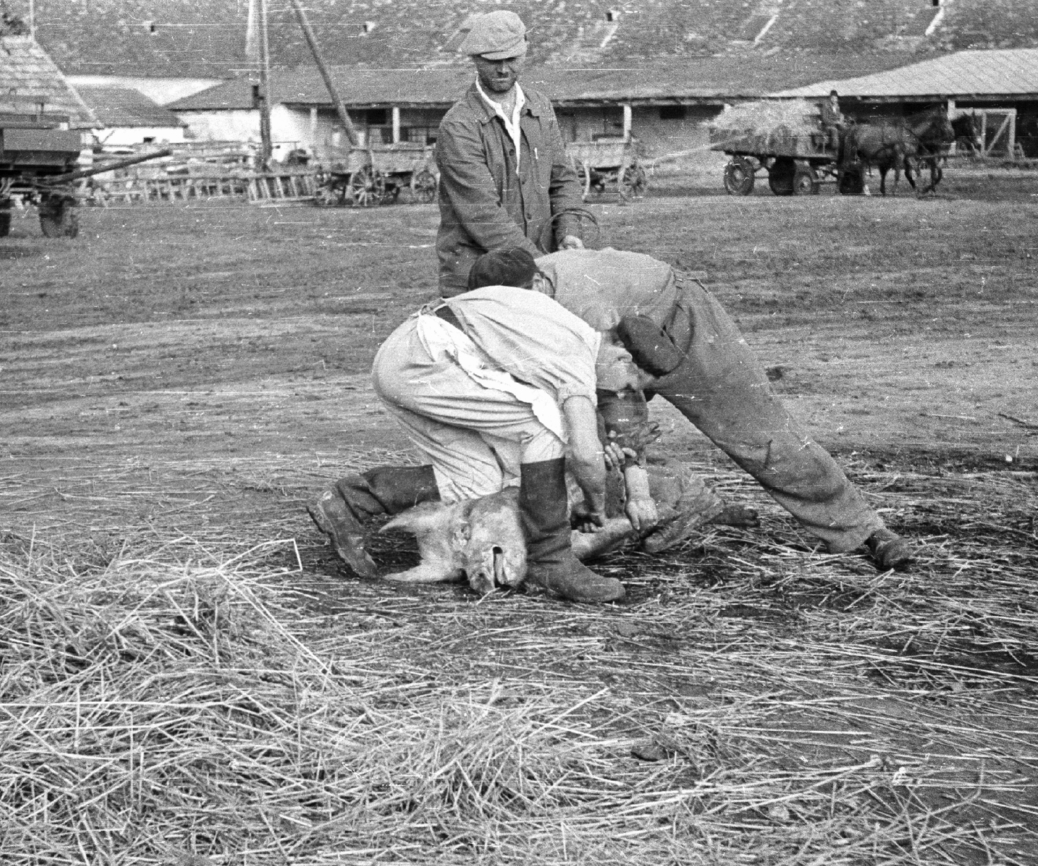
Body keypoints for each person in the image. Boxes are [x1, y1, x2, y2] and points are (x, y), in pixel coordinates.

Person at [469, 246, 916, 571]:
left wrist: (636, 489)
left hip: (681, 325)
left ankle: (863, 529)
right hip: (625, 343)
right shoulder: (518, 299)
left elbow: (619, 405)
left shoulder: (585, 310)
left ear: (538, 286)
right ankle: (687, 505)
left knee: (760, 433)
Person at [308, 279, 625, 604]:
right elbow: (585, 453)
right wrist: (596, 506)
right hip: (425, 359)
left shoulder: (567, 328)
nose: (622, 391)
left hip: (409, 356)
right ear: (622, 356)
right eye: (629, 382)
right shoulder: (579, 354)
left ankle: (350, 500)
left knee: (478, 481)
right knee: (543, 426)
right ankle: (551, 561)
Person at [433, 10, 586, 297]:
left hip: (539, 270)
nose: (503, 69)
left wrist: (569, 231)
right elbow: (483, 212)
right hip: (481, 275)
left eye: (512, 59)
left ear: (525, 52)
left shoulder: (540, 107)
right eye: (493, 61)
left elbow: (563, 178)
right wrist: (545, 264)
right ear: (476, 59)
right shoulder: (459, 126)